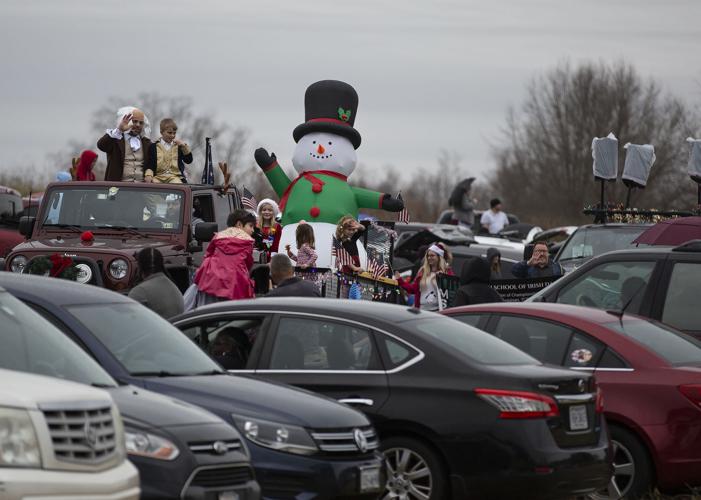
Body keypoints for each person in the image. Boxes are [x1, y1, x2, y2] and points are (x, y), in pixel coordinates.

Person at [193, 209, 256, 305]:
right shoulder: (247, 242)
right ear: (239, 224)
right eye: (250, 226)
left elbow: (208, 254)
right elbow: (248, 264)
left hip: (210, 279)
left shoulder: (218, 236)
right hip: (234, 282)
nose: (252, 230)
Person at [97, 107, 152, 182]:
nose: (138, 125)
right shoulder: (116, 139)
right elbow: (101, 145)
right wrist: (119, 130)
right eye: (134, 121)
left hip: (141, 188)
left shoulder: (147, 143)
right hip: (119, 187)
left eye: (141, 123)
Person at [394, 243, 453, 311]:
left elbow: (450, 295)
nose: (429, 258)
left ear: (439, 257)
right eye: (428, 256)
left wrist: (443, 278)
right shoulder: (423, 271)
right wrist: (400, 281)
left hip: (438, 312)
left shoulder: (447, 272)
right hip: (422, 310)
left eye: (432, 256)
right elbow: (413, 289)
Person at [128, 248, 184, 319]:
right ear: (161, 264)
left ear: (139, 267)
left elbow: (130, 324)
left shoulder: (139, 292)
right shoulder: (173, 286)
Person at [145, 118, 192, 184]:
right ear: (161, 132)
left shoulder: (178, 146)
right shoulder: (153, 146)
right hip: (158, 177)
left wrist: (183, 146)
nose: (172, 135)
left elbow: (189, 160)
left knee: (178, 186)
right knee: (153, 186)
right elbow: (150, 164)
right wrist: (148, 175)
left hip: (175, 177)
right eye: (169, 133)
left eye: (174, 133)